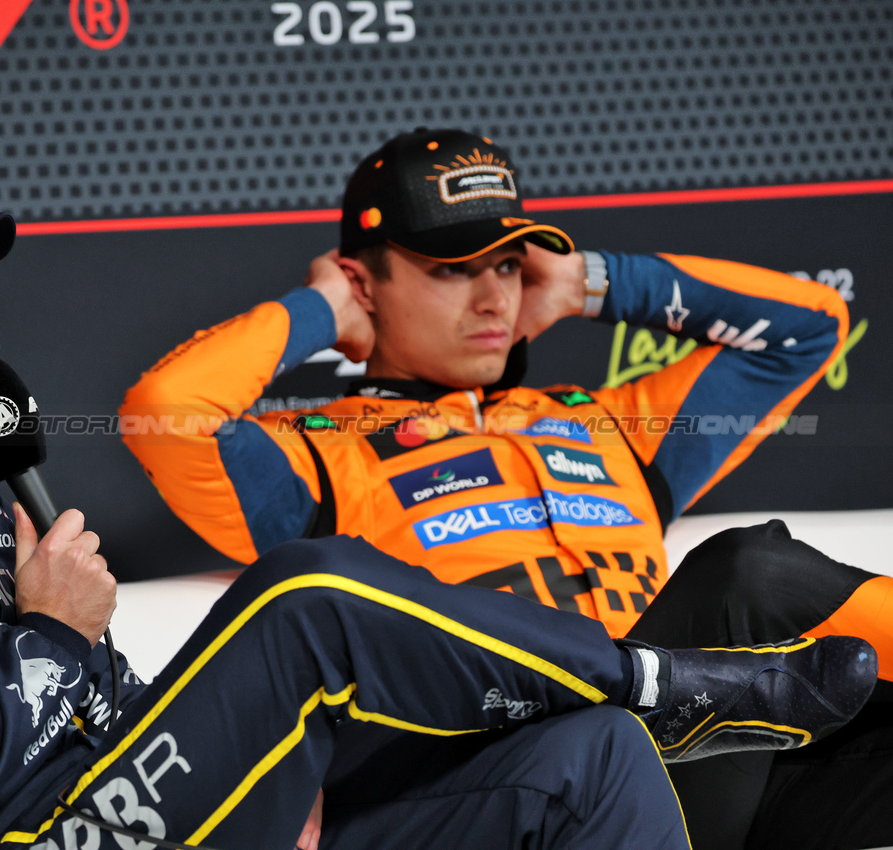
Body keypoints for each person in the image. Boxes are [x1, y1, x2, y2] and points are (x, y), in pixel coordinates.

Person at [0, 140, 875, 850]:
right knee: (306, 593)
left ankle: (652, 702)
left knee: (594, 759)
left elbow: (98, 701)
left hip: (156, 810)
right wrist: (42, 635)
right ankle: (678, 685)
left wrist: (250, 771)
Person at [120, 127, 893, 849]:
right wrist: (322, 308)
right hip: (516, 781)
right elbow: (166, 412)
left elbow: (808, 326)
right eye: (452, 270)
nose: (493, 298)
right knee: (742, 574)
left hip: (692, 762)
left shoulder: (604, 425)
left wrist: (585, 283)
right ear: (367, 282)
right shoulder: (318, 459)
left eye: (506, 266)